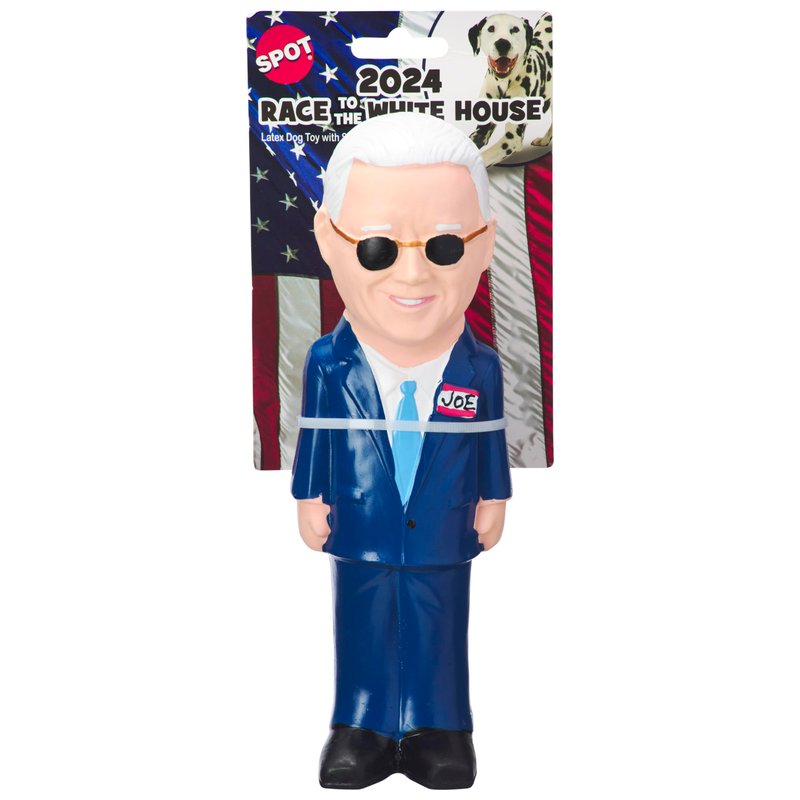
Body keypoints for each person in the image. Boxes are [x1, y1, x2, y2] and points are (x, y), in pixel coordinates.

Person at [292, 112, 512, 790]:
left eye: (443, 246)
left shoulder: (480, 369)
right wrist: (307, 496)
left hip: (445, 524)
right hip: (360, 522)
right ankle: (362, 724)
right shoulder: (329, 363)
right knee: (361, 620)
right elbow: (317, 438)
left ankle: (438, 727)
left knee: (440, 622)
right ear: (330, 240)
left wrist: (495, 497)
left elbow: (488, 441)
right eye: (378, 248)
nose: (413, 274)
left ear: (483, 244)